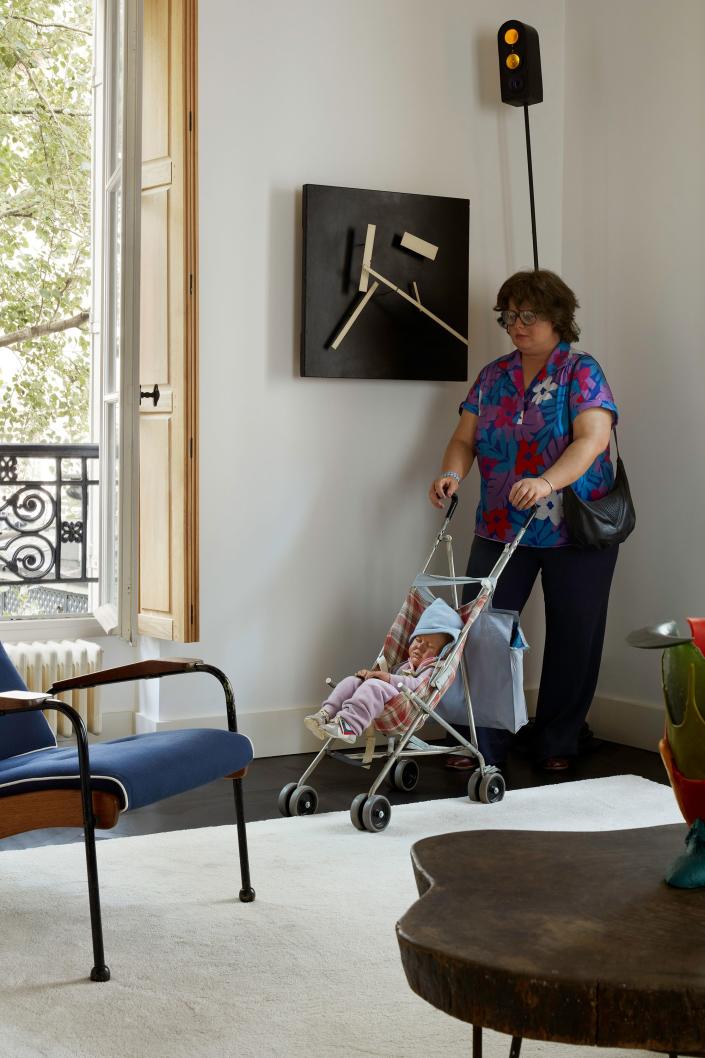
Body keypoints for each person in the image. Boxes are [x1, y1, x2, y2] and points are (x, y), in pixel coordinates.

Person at [429, 269, 619, 772]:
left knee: (574, 636)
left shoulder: (582, 372)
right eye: (509, 315)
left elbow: (592, 439)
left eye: (528, 314)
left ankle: (557, 740)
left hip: (575, 526)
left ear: (558, 317)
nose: (516, 324)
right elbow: (464, 438)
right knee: (482, 630)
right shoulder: (493, 376)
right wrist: (451, 472)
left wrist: (547, 482)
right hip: (499, 523)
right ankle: (481, 741)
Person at [304, 597, 463, 744]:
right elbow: (386, 680)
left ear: (440, 653)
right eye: (419, 640)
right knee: (352, 682)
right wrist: (369, 676)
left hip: (406, 708)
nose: (420, 647)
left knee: (373, 686)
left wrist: (385, 678)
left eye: (429, 646)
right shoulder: (404, 666)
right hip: (381, 703)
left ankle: (349, 727)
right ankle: (325, 715)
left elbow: (417, 684)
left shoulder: (433, 668)